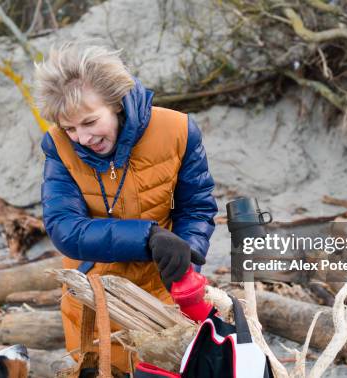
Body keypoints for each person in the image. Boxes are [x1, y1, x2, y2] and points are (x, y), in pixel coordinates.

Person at [34, 43, 217, 374]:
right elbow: (64, 226)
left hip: (163, 287)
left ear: (117, 104)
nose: (82, 138)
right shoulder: (58, 146)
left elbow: (198, 207)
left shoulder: (177, 130)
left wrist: (186, 251)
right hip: (94, 294)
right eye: (71, 128)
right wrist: (146, 238)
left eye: (90, 122)